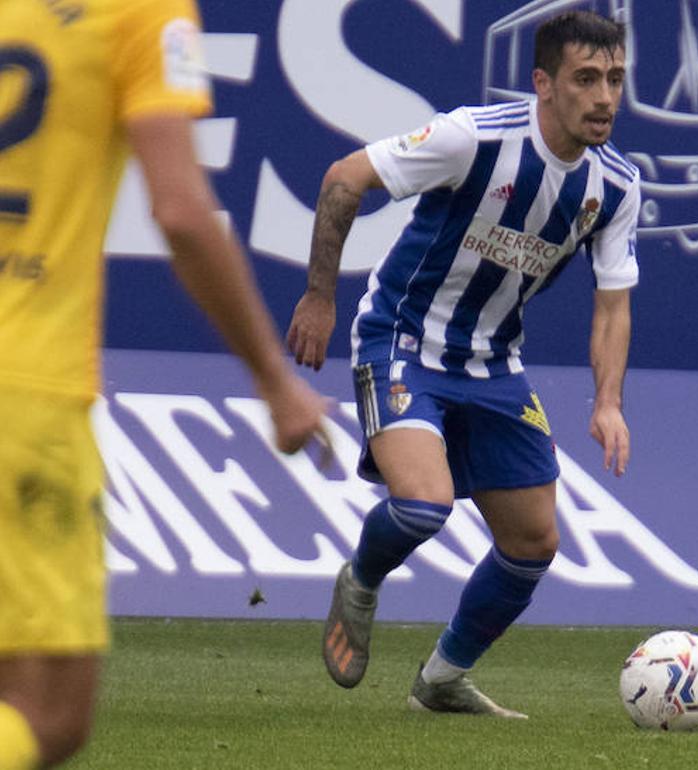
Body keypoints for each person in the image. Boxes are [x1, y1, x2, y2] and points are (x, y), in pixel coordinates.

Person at [0, 1, 329, 766]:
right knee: (49, 713)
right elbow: (181, 212)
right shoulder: (139, 11)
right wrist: (273, 381)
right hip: (25, 392)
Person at [286, 10, 639, 718]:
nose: (604, 97)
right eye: (586, 79)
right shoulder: (471, 139)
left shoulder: (617, 187)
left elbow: (612, 306)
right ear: (543, 83)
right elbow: (343, 179)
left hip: (493, 364)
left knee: (534, 542)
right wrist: (319, 298)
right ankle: (361, 578)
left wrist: (607, 402)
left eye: (615, 80)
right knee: (423, 506)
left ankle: (442, 679)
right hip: (402, 340)